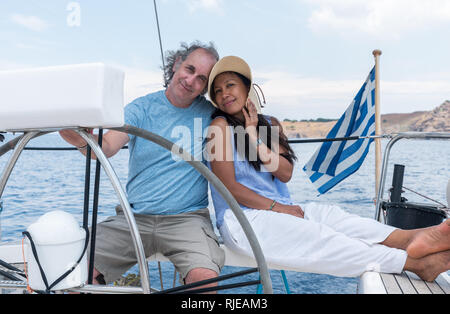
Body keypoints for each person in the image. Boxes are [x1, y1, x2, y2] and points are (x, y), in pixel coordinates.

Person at [206, 55, 450, 282]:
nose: (224, 94)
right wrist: (278, 208)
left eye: (230, 85)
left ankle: (408, 238)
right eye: (217, 91)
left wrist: (252, 135)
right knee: (320, 236)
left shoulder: (269, 124)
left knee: (333, 216)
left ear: (247, 88)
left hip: (281, 209)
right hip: (241, 218)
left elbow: (284, 173)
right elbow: (230, 188)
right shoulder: (218, 127)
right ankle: (413, 263)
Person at [60, 42, 225, 288]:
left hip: (187, 219)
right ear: (177, 63)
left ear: (205, 87)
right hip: (133, 218)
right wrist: (76, 136)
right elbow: (105, 147)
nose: (191, 80)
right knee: (75, 272)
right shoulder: (141, 108)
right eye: (189, 69)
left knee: (205, 280)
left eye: (201, 78)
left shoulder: (212, 115)